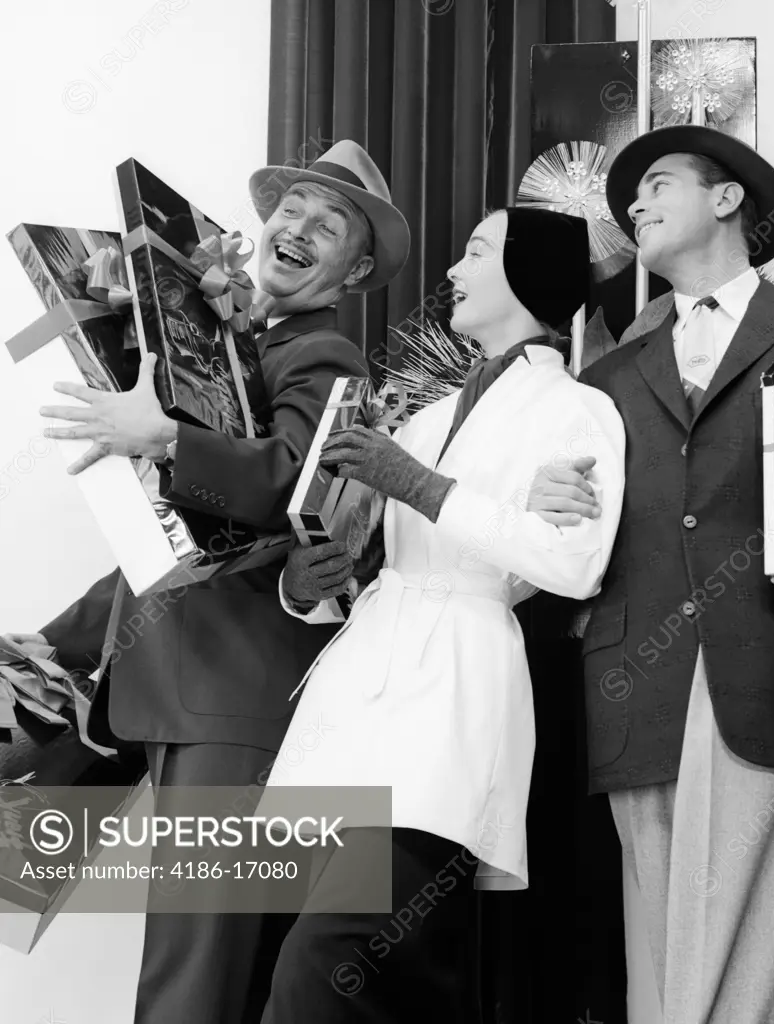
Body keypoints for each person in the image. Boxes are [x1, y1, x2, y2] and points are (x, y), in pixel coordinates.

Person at [6, 140, 411, 1024]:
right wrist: (63, 641)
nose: (298, 228)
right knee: (174, 958)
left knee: (197, 980)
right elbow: (173, 547)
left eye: (329, 223)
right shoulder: (232, 343)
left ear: (359, 265)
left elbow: (291, 478)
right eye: (290, 211)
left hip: (234, 706)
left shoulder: (326, 352)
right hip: (153, 690)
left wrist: (162, 440)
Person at [532, 124, 774, 1024]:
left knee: (742, 950)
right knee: (661, 961)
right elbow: (581, 534)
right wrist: (547, 496)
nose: (634, 204)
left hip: (772, 669)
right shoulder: (606, 375)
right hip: (634, 687)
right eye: (629, 198)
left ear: (728, 197)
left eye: (657, 183)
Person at [257, 207, 627, 1024]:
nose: (452, 271)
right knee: (390, 978)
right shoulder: (423, 420)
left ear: (528, 276)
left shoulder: (576, 410)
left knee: (331, 964)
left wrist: (418, 485)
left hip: (450, 703)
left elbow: (572, 562)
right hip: (354, 706)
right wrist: (311, 584)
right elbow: (379, 568)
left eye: (475, 252)